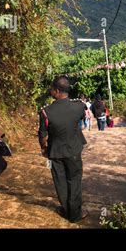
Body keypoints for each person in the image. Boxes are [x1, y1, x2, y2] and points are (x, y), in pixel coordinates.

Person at [38, 76, 88, 223]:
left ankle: (67, 210)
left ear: (57, 91)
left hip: (55, 152)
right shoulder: (79, 106)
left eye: (52, 89)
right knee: (74, 180)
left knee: (60, 181)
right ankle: (75, 214)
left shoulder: (46, 112)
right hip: (73, 150)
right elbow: (81, 117)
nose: (51, 91)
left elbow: (42, 135)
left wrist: (44, 149)